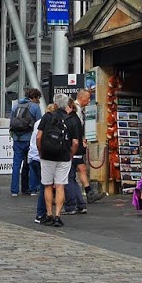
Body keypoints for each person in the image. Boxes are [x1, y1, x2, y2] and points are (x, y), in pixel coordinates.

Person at [36, 93, 81, 227]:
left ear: (55, 104)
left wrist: (40, 151)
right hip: (63, 156)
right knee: (60, 185)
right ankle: (58, 216)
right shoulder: (71, 120)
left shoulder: (47, 117)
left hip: (47, 155)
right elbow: (75, 142)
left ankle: (49, 214)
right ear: (67, 104)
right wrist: (71, 154)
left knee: (47, 185)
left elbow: (39, 137)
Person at [8, 86, 41, 196]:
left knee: (16, 165)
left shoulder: (16, 106)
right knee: (31, 164)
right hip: (29, 139)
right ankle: (31, 189)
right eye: (38, 98)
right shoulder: (35, 107)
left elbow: (11, 122)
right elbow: (39, 125)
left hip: (17, 139)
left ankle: (14, 191)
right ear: (34, 98)